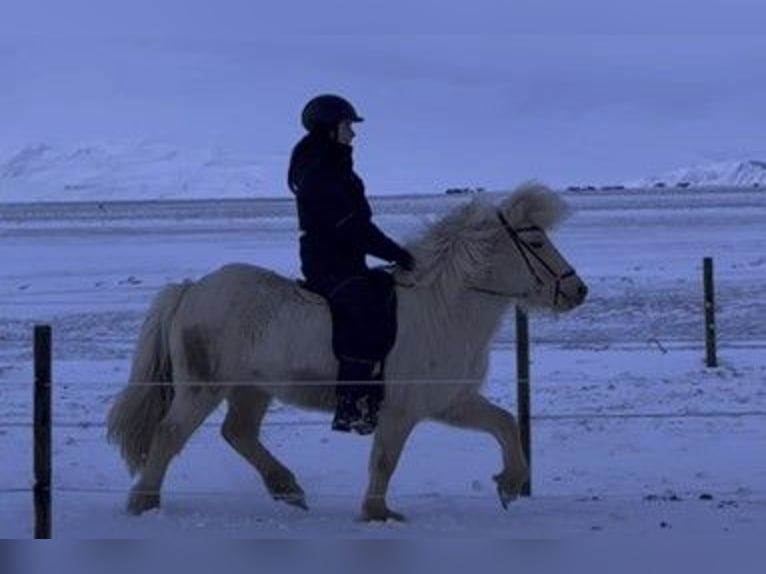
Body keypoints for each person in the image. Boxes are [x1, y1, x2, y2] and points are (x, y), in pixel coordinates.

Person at [288, 94, 415, 435]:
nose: (353, 134)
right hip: (327, 264)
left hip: (347, 261)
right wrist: (397, 254)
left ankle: (380, 387)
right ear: (330, 129)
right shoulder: (319, 174)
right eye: (347, 126)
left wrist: (394, 254)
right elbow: (351, 226)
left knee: (388, 292)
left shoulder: (338, 168)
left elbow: (359, 226)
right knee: (363, 309)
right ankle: (352, 403)